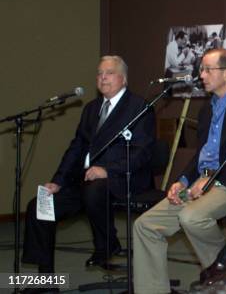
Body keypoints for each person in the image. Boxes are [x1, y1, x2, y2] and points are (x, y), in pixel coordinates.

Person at [133, 48, 226, 294]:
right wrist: (183, 180)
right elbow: (201, 153)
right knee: (145, 225)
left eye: (208, 69)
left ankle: (221, 257)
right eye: (201, 69)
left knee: (190, 216)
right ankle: (154, 289)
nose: (202, 75)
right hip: (202, 181)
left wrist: (211, 179)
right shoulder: (207, 109)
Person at [22, 56, 156, 277]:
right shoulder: (92, 109)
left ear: (123, 79)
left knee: (95, 189)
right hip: (84, 181)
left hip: (123, 179)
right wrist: (58, 181)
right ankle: (45, 280)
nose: (103, 77)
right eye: (99, 73)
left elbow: (143, 152)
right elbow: (76, 148)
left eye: (109, 73)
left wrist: (108, 170)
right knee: (39, 206)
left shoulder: (139, 107)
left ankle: (106, 245)